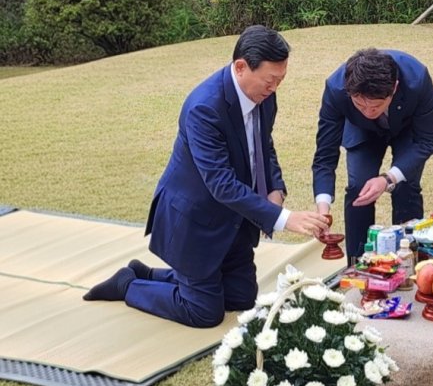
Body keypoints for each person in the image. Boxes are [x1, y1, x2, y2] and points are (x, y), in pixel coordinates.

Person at [83, 25, 329, 327]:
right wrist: (282, 217)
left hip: (234, 220)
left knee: (241, 299)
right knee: (203, 313)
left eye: (281, 79)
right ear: (241, 67)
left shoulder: (265, 96)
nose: (275, 87)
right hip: (194, 221)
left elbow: (264, 144)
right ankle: (129, 285)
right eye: (270, 79)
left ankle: (148, 273)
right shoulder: (204, 107)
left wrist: (274, 186)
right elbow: (220, 183)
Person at [312, 48, 433, 261]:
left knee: (405, 186)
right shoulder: (336, 89)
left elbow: (427, 141)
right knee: (358, 187)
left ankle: (411, 259)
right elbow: (325, 154)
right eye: (359, 103)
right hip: (361, 130)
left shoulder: (417, 79)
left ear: (395, 88)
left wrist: (388, 178)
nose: (368, 111)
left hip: (408, 128)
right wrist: (322, 208)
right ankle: (356, 263)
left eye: (376, 105)